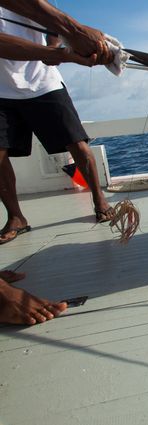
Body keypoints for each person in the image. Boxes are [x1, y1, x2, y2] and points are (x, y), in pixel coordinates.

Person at [0, 0, 114, 325]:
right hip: (1, 89)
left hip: (43, 81)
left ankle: (100, 199)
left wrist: (65, 38)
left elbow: (50, 27)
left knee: (77, 143)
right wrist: (60, 52)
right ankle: (16, 217)